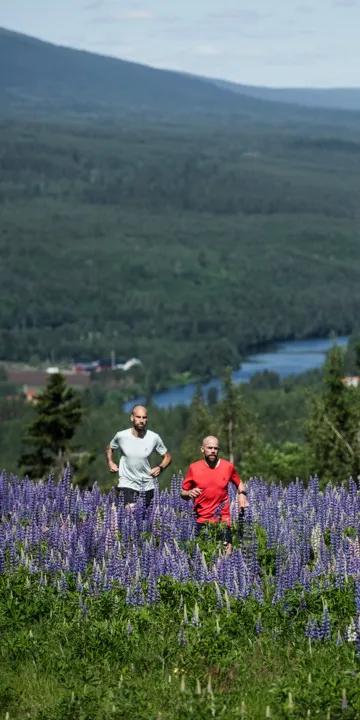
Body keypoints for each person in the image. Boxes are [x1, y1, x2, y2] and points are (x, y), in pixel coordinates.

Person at [181, 435, 248, 553]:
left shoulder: (228, 467)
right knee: (206, 560)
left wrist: (242, 494)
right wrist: (189, 492)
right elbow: (183, 492)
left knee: (226, 557)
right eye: (209, 448)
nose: (213, 451)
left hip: (223, 520)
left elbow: (239, 483)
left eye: (215, 448)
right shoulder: (194, 468)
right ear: (202, 449)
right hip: (202, 520)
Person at [106, 405, 172, 507]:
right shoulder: (121, 436)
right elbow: (110, 447)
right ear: (132, 418)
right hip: (126, 484)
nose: (141, 420)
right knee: (130, 515)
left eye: (144, 417)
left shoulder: (154, 437)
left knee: (145, 519)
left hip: (147, 485)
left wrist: (160, 467)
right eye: (138, 417)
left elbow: (167, 457)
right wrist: (110, 461)